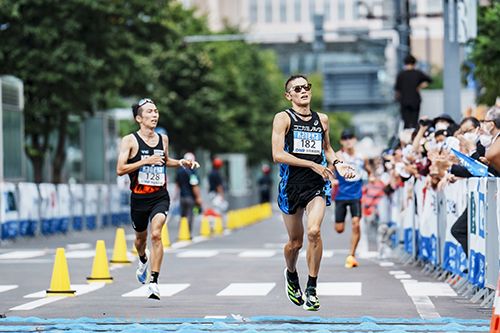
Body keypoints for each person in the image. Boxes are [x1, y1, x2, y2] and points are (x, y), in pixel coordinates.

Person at [272, 74, 355, 311]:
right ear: (289, 96)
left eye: (306, 87)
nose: (303, 91)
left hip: (316, 185)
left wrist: (339, 163)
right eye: (297, 89)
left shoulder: (322, 120)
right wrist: (310, 163)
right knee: (295, 243)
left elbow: (327, 149)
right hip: (291, 187)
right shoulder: (283, 118)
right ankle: (291, 274)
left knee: (314, 231)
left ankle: (312, 287)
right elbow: (277, 154)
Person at [116, 98, 199, 300]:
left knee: (156, 235)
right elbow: (120, 169)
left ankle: (153, 282)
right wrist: (146, 161)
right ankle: (143, 259)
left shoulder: (163, 139)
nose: (154, 115)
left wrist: (182, 162)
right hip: (139, 198)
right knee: (140, 240)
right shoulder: (129, 140)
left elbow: (165, 160)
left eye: (156, 111)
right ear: (139, 118)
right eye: (149, 112)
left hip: (159, 196)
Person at [334, 128, 376, 268]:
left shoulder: (362, 157)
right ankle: (350, 250)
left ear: (355, 139)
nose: (348, 141)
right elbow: (330, 171)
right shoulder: (338, 155)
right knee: (339, 229)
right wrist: (332, 180)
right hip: (341, 194)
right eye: (345, 138)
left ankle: (351, 255)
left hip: (355, 195)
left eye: (350, 138)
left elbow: (369, 171)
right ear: (341, 141)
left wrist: (371, 177)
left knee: (356, 224)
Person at [394, 54, 432, 129]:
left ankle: (405, 138)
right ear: (414, 63)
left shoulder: (401, 74)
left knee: (406, 122)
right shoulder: (418, 73)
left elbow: (397, 89)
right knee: (414, 122)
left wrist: (396, 98)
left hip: (404, 101)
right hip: (415, 100)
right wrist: (420, 87)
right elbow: (429, 80)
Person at [174, 152, 203, 234]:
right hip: (190, 196)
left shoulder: (180, 171)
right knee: (189, 215)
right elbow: (195, 186)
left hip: (182, 196)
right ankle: (187, 232)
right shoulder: (193, 172)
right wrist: (198, 197)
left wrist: (175, 195)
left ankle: (182, 231)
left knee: (182, 215)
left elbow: (177, 184)